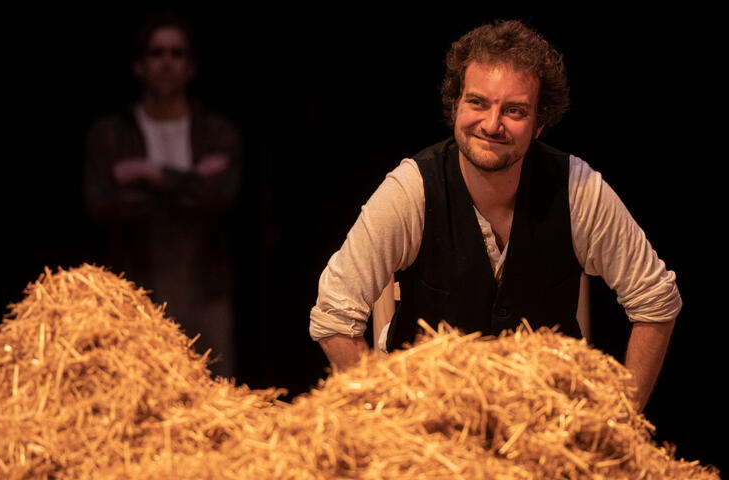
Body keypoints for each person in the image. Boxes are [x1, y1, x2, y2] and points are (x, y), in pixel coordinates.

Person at [309, 19, 679, 412]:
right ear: (456, 104)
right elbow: (333, 315)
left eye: (514, 110)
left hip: (545, 421)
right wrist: (392, 421)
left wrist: (619, 421)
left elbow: (656, 300)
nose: (491, 124)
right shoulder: (412, 188)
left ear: (539, 123)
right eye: (477, 102)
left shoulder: (577, 188)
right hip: (432, 422)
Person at [83, 13, 242, 378]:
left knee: (214, 388)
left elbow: (220, 197)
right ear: (138, 65)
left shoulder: (214, 132)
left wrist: (149, 174)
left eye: (176, 53)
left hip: (204, 287)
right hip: (136, 286)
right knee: (141, 387)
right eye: (157, 53)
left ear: (191, 66)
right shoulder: (112, 134)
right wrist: (193, 180)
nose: (167, 62)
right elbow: (103, 203)